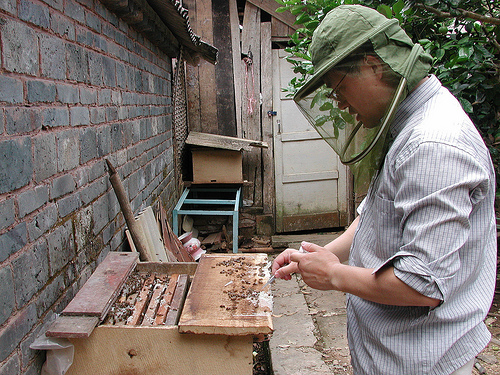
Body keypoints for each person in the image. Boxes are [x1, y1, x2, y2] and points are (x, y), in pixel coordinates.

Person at [272, 5, 497, 375]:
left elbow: (421, 284)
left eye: (340, 87)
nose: (340, 103)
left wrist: (334, 275)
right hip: (395, 354)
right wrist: (316, 256)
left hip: (420, 362)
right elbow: (377, 216)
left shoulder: (432, 144)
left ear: (375, 64)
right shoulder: (407, 124)